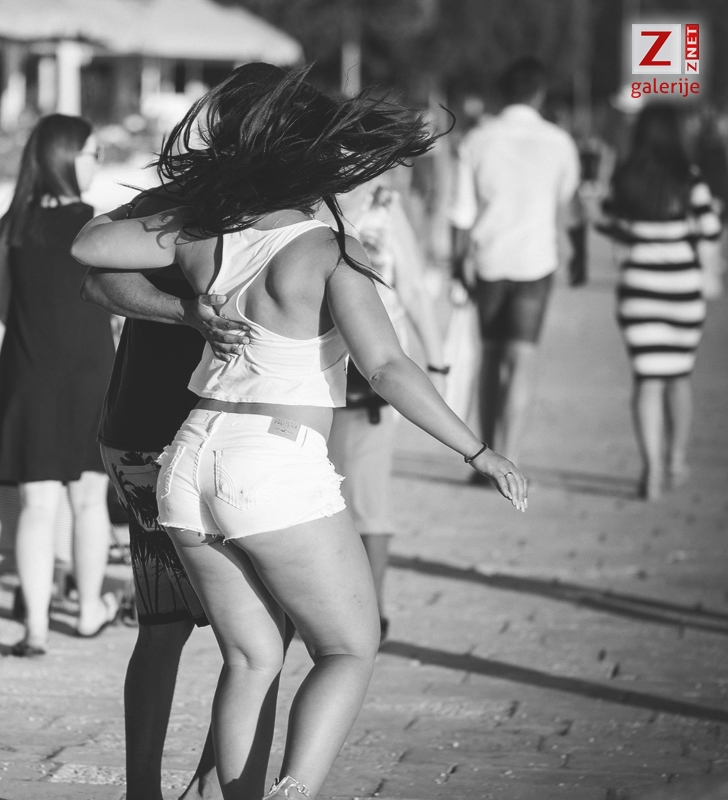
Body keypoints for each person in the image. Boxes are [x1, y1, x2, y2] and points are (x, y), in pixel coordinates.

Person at [73, 68, 527, 800]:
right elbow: (387, 368)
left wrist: (188, 291)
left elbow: (90, 252)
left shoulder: (201, 232)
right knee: (349, 648)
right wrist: (477, 449)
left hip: (189, 461)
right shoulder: (330, 251)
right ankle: (294, 791)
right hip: (272, 465)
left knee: (251, 659)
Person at [83, 63, 283, 800]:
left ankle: (189, 786)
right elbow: (93, 266)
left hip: (194, 434)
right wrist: (183, 312)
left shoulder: (272, 199)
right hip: (165, 434)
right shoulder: (187, 198)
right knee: (243, 631)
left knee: (222, 633)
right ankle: (164, 791)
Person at [0, 114, 119, 657]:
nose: (97, 164)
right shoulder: (95, 225)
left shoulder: (12, 224)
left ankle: (34, 628)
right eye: (94, 153)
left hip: (29, 370)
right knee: (89, 499)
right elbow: (115, 302)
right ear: (67, 158)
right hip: (90, 370)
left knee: (36, 505)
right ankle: (88, 610)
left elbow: (2, 307)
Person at [449, 56, 582, 466]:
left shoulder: (477, 139)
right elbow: (566, 206)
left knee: (490, 357)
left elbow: (462, 212)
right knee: (522, 359)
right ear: (539, 93)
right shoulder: (559, 141)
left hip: (488, 260)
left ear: (503, 92)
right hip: (536, 261)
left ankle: (486, 456)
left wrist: (458, 261)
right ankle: (512, 457)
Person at [333, 175, 447, 642]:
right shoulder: (301, 197)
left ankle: (372, 609)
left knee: (367, 496)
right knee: (322, 494)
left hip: (370, 373)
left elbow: (414, 289)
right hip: (310, 370)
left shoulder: (382, 204)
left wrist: (436, 361)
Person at [597, 104, 722, 499]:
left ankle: (650, 469)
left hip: (639, 289)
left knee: (647, 379)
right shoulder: (689, 178)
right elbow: (711, 230)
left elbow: (609, 222)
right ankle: (676, 460)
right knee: (679, 377)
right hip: (682, 290)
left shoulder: (626, 176)